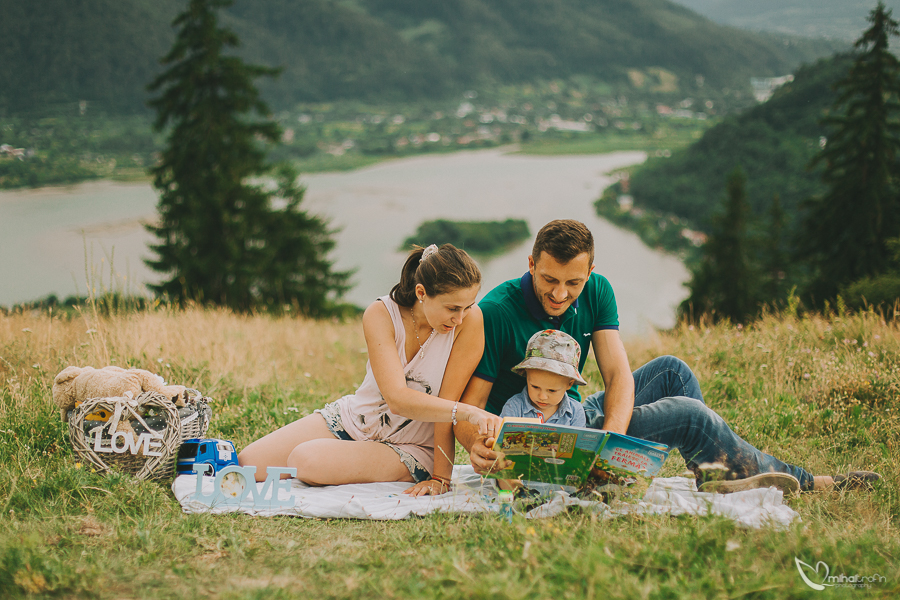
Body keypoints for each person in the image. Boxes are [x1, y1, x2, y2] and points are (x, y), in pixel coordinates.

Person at [454, 219, 880, 494]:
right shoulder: (495, 311)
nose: (560, 294)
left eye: (574, 283)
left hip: (577, 416)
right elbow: (466, 408)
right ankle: (805, 482)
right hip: (541, 446)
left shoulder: (598, 289)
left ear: (590, 272)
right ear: (530, 264)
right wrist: (478, 448)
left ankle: (714, 471)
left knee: (673, 371)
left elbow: (618, 374)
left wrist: (610, 444)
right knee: (690, 416)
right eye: (549, 279)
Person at [239, 243, 504, 497]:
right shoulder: (380, 314)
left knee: (304, 459)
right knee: (248, 463)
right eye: (452, 308)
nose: (460, 318)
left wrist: (440, 478)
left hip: (410, 446)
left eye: (467, 306)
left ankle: (395, 468)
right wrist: (470, 412)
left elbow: (445, 407)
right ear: (422, 293)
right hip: (356, 421)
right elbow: (397, 400)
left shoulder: (470, 323)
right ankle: (354, 458)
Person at [499, 329, 587, 427]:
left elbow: (580, 441)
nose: (542, 397)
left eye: (552, 390)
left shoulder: (575, 412)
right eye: (535, 387)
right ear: (526, 375)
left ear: (569, 384)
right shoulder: (515, 406)